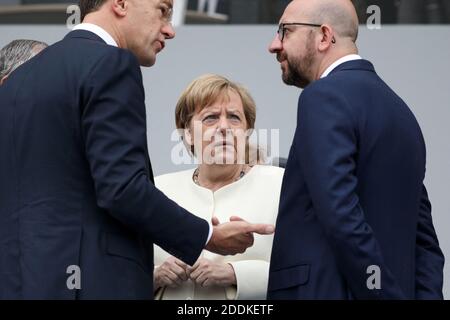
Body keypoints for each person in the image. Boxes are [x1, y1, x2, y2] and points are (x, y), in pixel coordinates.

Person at [0, 0, 274, 299]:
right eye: (162, 10)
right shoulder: (110, 62)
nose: (169, 29)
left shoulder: (16, 81)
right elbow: (121, 189)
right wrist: (207, 235)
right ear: (120, 3)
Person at [266, 0, 444, 299]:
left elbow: (340, 216)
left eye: (285, 31)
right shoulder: (402, 113)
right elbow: (425, 242)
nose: (273, 45)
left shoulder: (322, 97)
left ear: (324, 36)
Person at [153, 74, 284, 300]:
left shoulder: (282, 184)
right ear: (187, 134)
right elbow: (119, 269)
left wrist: (236, 274)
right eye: (210, 118)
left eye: (234, 118)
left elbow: (306, 269)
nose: (224, 127)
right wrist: (156, 276)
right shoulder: (156, 189)